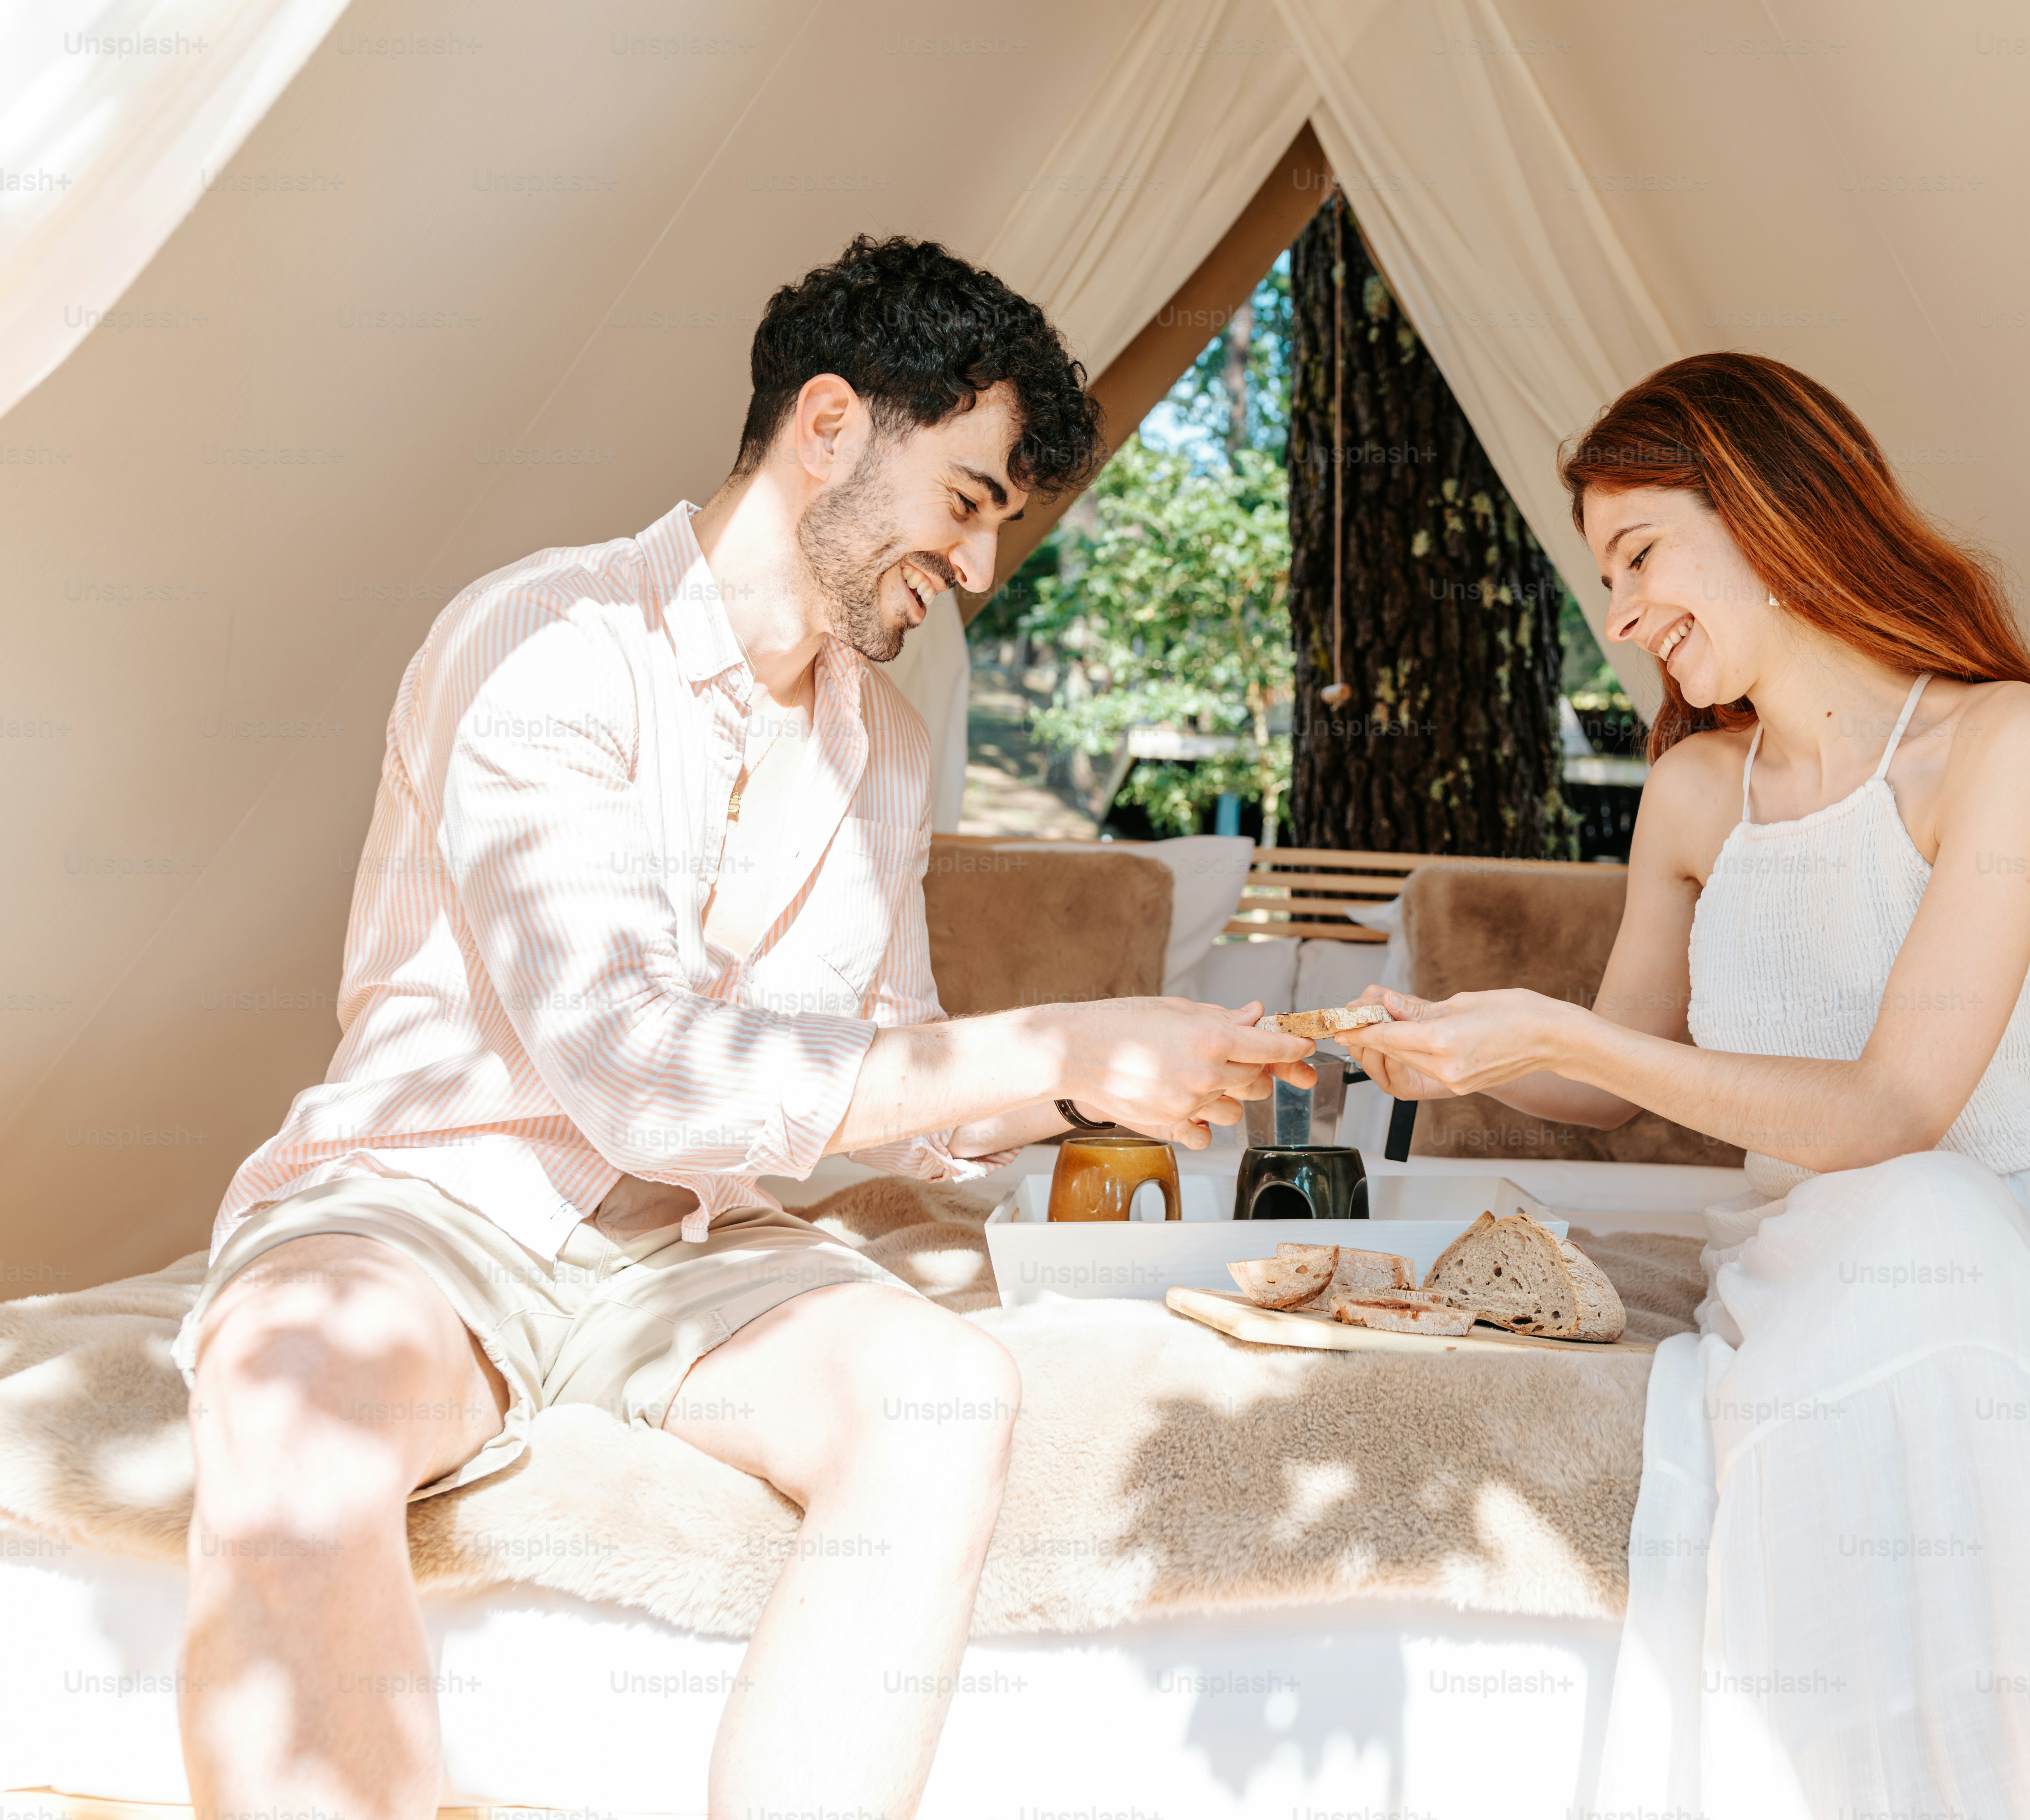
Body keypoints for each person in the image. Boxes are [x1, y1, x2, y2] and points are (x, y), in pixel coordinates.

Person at [176, 234, 1316, 1820]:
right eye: (967, 502)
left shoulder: (885, 744)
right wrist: (1060, 1041)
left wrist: (1107, 1080)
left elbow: (901, 1061)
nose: (979, 568)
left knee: (941, 1394)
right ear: (829, 425)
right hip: (433, 1203)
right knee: (292, 1396)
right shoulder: (544, 641)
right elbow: (639, 1072)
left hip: (689, 1248)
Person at [1338, 353, 2030, 1814]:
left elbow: (1897, 1116)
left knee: (1932, 1211)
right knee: (1907, 1225)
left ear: (1770, 511)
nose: (1620, 617)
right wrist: (1464, 1041)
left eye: (1642, 555)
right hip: (1811, 1266)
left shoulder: (2006, 743)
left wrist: (1566, 1035)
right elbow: (1612, 1077)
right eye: (1605, 578)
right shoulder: (1697, 793)